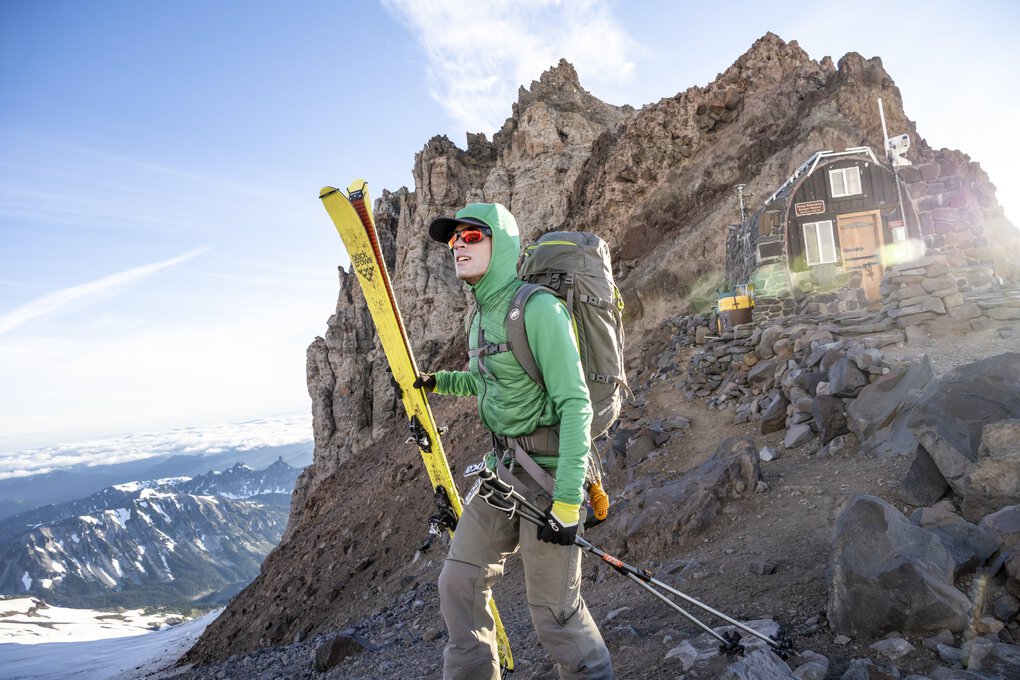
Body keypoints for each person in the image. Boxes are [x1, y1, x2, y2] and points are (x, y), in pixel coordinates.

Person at [418, 203, 613, 680]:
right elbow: (489, 379)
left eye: (471, 237)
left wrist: (568, 502)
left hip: (550, 477)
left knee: (555, 617)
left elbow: (576, 405)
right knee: (457, 585)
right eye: (453, 240)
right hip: (502, 473)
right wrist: (439, 382)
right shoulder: (481, 315)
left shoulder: (539, 309)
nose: (458, 246)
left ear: (500, 242)